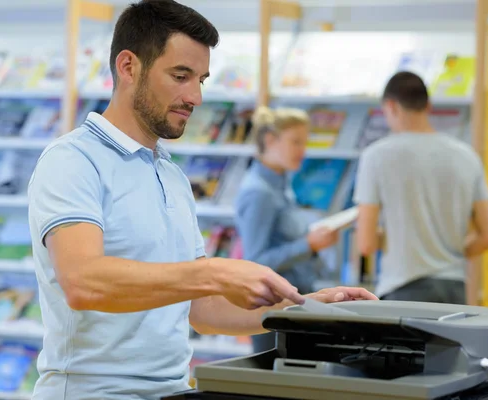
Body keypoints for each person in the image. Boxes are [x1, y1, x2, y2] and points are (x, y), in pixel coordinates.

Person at [26, 1, 376, 399]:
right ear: (128, 67)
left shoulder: (171, 175)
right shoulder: (73, 160)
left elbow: (204, 310)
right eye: (180, 75)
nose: (195, 96)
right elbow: (83, 282)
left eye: (201, 79)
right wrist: (213, 273)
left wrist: (305, 308)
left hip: (174, 389)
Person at [353, 71, 488, 305]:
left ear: (390, 106)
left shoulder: (376, 156)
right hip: (454, 290)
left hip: (402, 289)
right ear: (428, 106)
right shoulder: (466, 156)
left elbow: (366, 243)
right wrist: (446, 253)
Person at [234, 106, 339, 353]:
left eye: (304, 142)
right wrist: (309, 245)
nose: (303, 151)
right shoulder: (259, 192)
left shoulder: (281, 183)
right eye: (296, 142)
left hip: (292, 301)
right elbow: (256, 260)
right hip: (273, 308)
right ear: (270, 140)